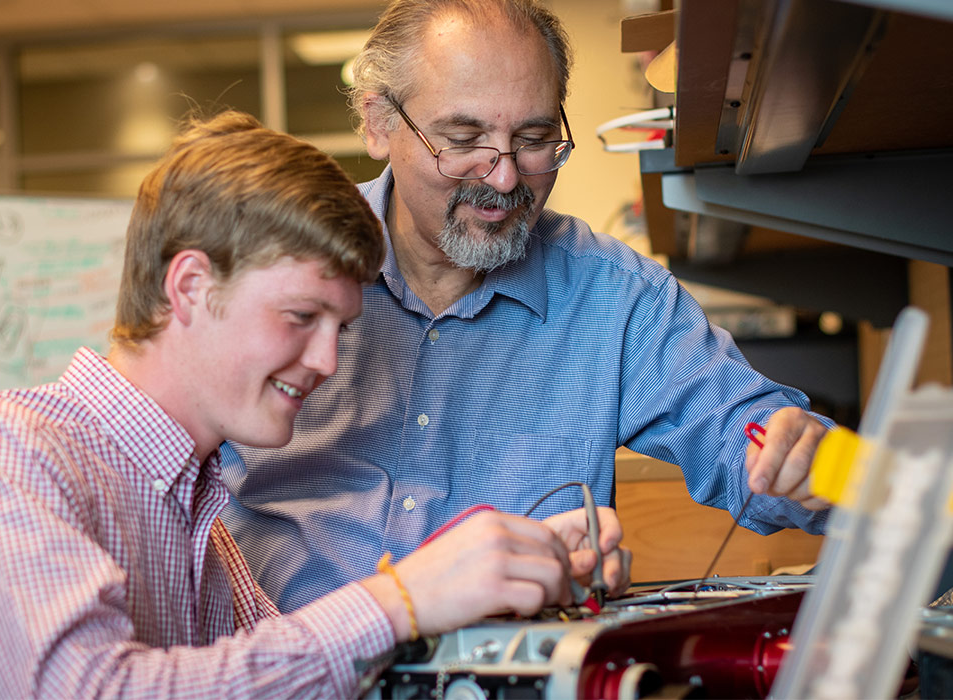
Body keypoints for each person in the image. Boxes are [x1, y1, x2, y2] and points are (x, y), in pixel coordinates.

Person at [0, 110, 630, 699]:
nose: (327, 362)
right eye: (301, 316)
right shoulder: (5, 450)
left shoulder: (202, 519)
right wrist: (401, 598)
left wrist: (503, 581)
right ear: (189, 286)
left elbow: (303, 676)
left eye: (339, 328)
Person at [220, 0, 831, 615]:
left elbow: (753, 439)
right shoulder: (272, 262)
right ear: (379, 122)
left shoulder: (613, 296)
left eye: (535, 140)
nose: (506, 179)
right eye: (463, 139)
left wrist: (806, 461)